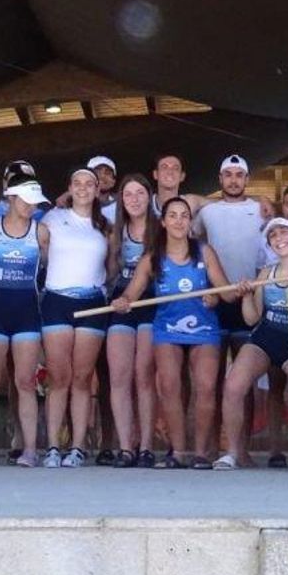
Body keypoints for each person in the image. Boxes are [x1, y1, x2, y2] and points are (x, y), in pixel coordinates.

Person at [112, 196, 233, 469]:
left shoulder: (205, 252)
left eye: (184, 216)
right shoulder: (152, 257)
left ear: (190, 222)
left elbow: (226, 292)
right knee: (168, 387)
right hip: (167, 328)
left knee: (206, 387)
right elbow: (131, 294)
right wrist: (123, 302)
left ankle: (201, 454)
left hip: (204, 328)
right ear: (164, 222)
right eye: (173, 215)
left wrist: (221, 295)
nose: (179, 221)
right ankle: (177, 452)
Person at [217, 217, 288, 469]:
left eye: (284, 233)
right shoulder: (266, 274)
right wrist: (246, 295)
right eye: (273, 236)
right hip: (266, 336)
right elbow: (252, 319)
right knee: (233, 386)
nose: (279, 239)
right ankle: (233, 453)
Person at [0, 170, 48, 469]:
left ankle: (30, 449)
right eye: (26, 200)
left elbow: (50, 268)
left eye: (35, 201)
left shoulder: (41, 232)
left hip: (27, 312)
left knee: (25, 382)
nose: (31, 206)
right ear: (11, 198)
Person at [38, 167, 111, 468]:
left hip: (92, 302)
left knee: (82, 378)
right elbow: (39, 249)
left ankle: (78, 447)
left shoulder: (105, 225)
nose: (83, 188)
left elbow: (113, 264)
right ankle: (53, 446)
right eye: (77, 183)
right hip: (57, 300)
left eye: (89, 184)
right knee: (58, 377)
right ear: (69, 187)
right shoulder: (53, 218)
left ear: (97, 189)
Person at [107, 174, 161, 468]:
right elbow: (108, 273)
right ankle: (126, 447)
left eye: (140, 193)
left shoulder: (161, 228)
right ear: (121, 200)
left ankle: (147, 446)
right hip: (121, 302)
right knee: (119, 376)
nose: (134, 199)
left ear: (149, 196)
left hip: (152, 302)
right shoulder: (115, 232)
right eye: (128, 194)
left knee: (144, 375)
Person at [194, 154, 266, 340]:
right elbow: (192, 239)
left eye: (239, 175)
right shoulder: (207, 212)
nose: (233, 180)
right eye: (228, 175)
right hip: (216, 295)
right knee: (215, 353)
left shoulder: (262, 210)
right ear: (220, 178)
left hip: (250, 294)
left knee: (246, 352)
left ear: (247, 179)